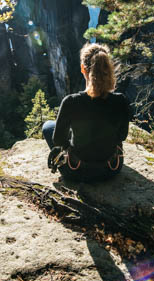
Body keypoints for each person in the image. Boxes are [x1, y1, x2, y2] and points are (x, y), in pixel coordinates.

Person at [42, 43, 130, 182]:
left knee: (48, 126)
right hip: (110, 170)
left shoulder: (71, 102)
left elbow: (58, 140)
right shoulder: (121, 101)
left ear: (83, 68)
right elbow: (122, 136)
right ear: (108, 68)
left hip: (76, 171)